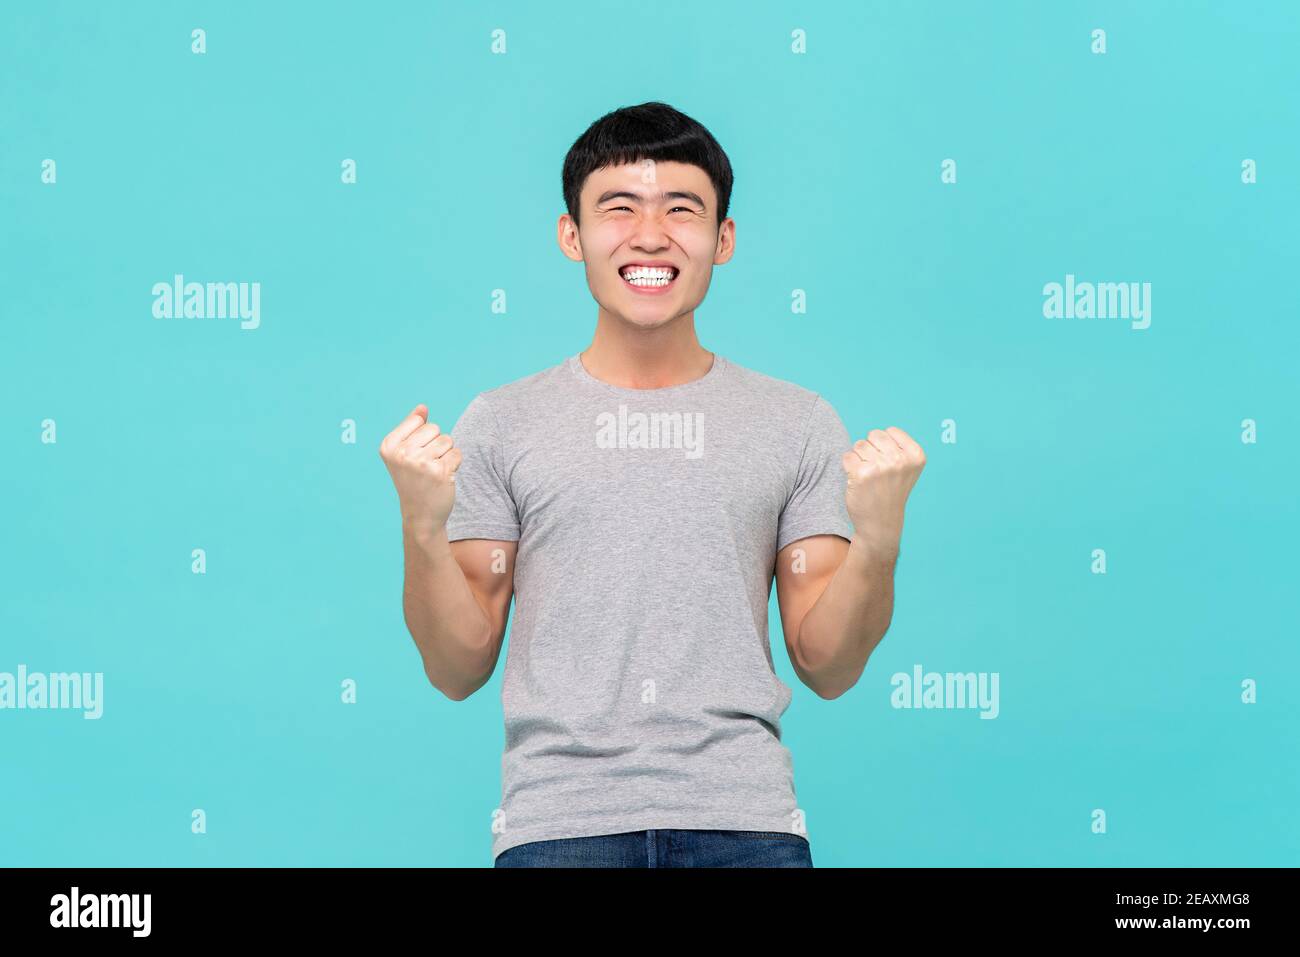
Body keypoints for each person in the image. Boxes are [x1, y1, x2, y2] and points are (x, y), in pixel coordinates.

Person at [378, 102, 926, 867]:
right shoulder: (500, 422)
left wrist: (880, 541)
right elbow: (456, 667)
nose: (649, 235)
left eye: (682, 209)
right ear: (571, 235)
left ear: (723, 239)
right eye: (618, 208)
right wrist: (420, 527)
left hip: (748, 827)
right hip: (558, 830)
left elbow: (828, 666)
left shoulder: (796, 422)